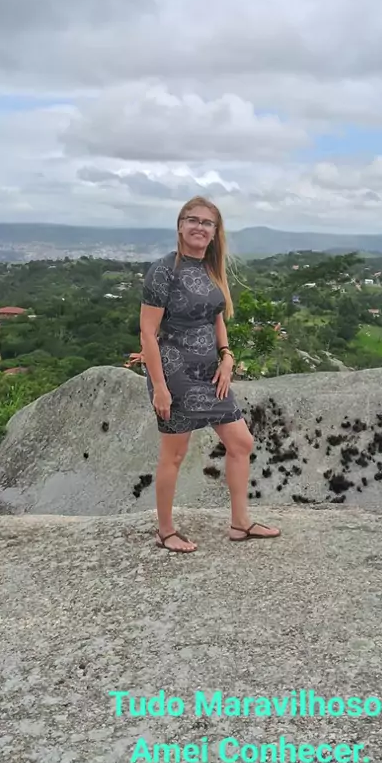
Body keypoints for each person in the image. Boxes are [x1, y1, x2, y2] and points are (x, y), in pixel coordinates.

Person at [140, 196, 281, 553]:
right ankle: (166, 531)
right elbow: (147, 334)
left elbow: (216, 317)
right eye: (192, 220)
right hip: (175, 373)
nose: (199, 227)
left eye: (207, 223)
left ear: (216, 231)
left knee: (241, 442)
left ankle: (240, 523)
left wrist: (227, 355)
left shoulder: (211, 269)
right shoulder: (163, 270)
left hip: (210, 372)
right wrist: (160, 387)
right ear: (179, 225)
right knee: (174, 454)